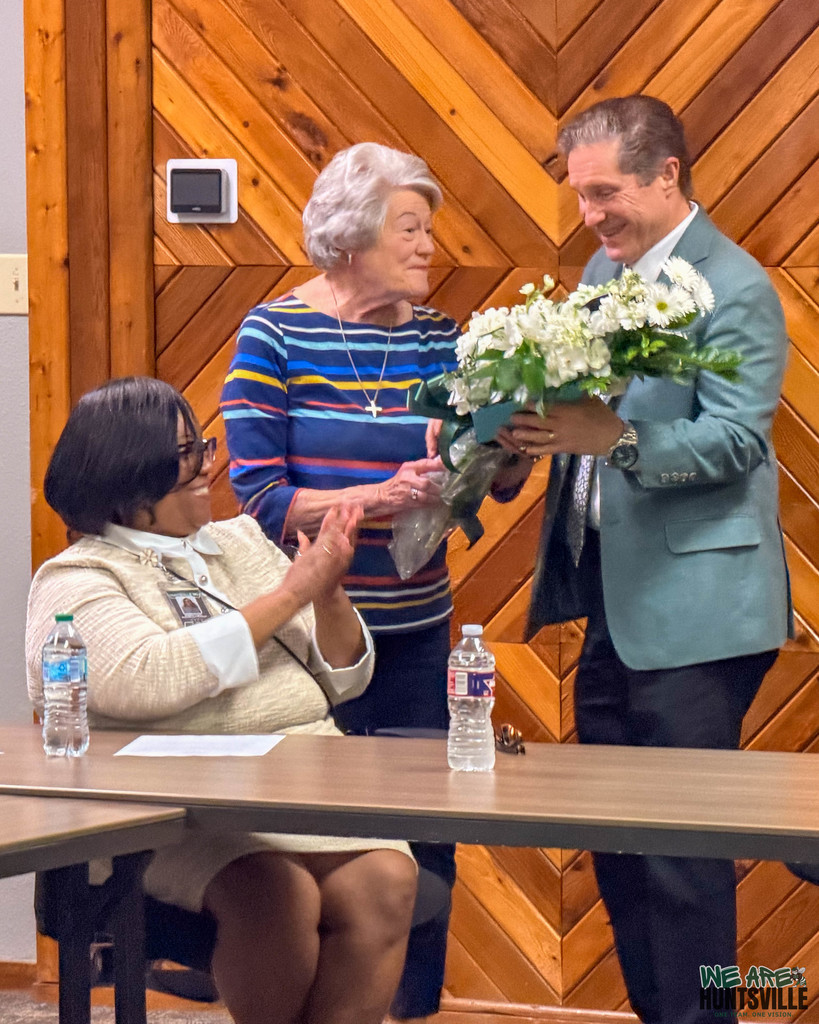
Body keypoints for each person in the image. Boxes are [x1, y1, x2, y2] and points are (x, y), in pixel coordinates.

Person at [498, 96, 790, 1024]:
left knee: (680, 853)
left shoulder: (735, 287)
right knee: (620, 844)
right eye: (579, 195)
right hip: (613, 605)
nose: (589, 215)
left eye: (605, 192)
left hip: (699, 614)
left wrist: (614, 438)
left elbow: (737, 441)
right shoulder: (601, 267)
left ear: (667, 174)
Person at [25, 377, 418, 1024]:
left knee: (386, 882)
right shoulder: (81, 577)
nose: (207, 463)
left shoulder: (238, 542)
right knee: (278, 893)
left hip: (298, 782)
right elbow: (148, 676)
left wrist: (325, 592)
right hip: (169, 807)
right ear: (129, 476)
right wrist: (292, 594)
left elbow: (344, 679)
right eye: (185, 454)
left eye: (199, 446)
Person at [220, 142, 463, 1021]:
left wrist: (494, 460)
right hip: (306, 644)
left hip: (415, 626)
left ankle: (409, 1012)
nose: (428, 245)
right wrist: (381, 495)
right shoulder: (275, 332)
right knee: (314, 834)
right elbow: (259, 500)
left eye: (426, 228)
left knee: (429, 835)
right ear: (352, 238)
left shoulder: (444, 338)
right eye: (410, 227)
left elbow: (477, 480)